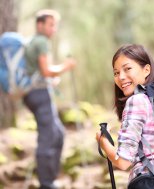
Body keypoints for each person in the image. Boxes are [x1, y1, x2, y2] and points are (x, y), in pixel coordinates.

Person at [96, 44, 154, 189]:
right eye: (116, 73)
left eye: (127, 69)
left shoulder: (137, 101)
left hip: (149, 182)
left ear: (146, 69)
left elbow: (122, 162)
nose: (121, 77)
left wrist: (103, 142)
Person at [23, 9, 76, 189]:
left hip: (35, 93)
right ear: (40, 25)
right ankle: (46, 183)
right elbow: (46, 70)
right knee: (48, 137)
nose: (54, 29)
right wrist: (66, 66)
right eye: (50, 24)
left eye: (55, 25)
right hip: (39, 95)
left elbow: (39, 72)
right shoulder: (41, 41)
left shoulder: (33, 42)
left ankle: (51, 178)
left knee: (58, 134)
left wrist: (51, 80)